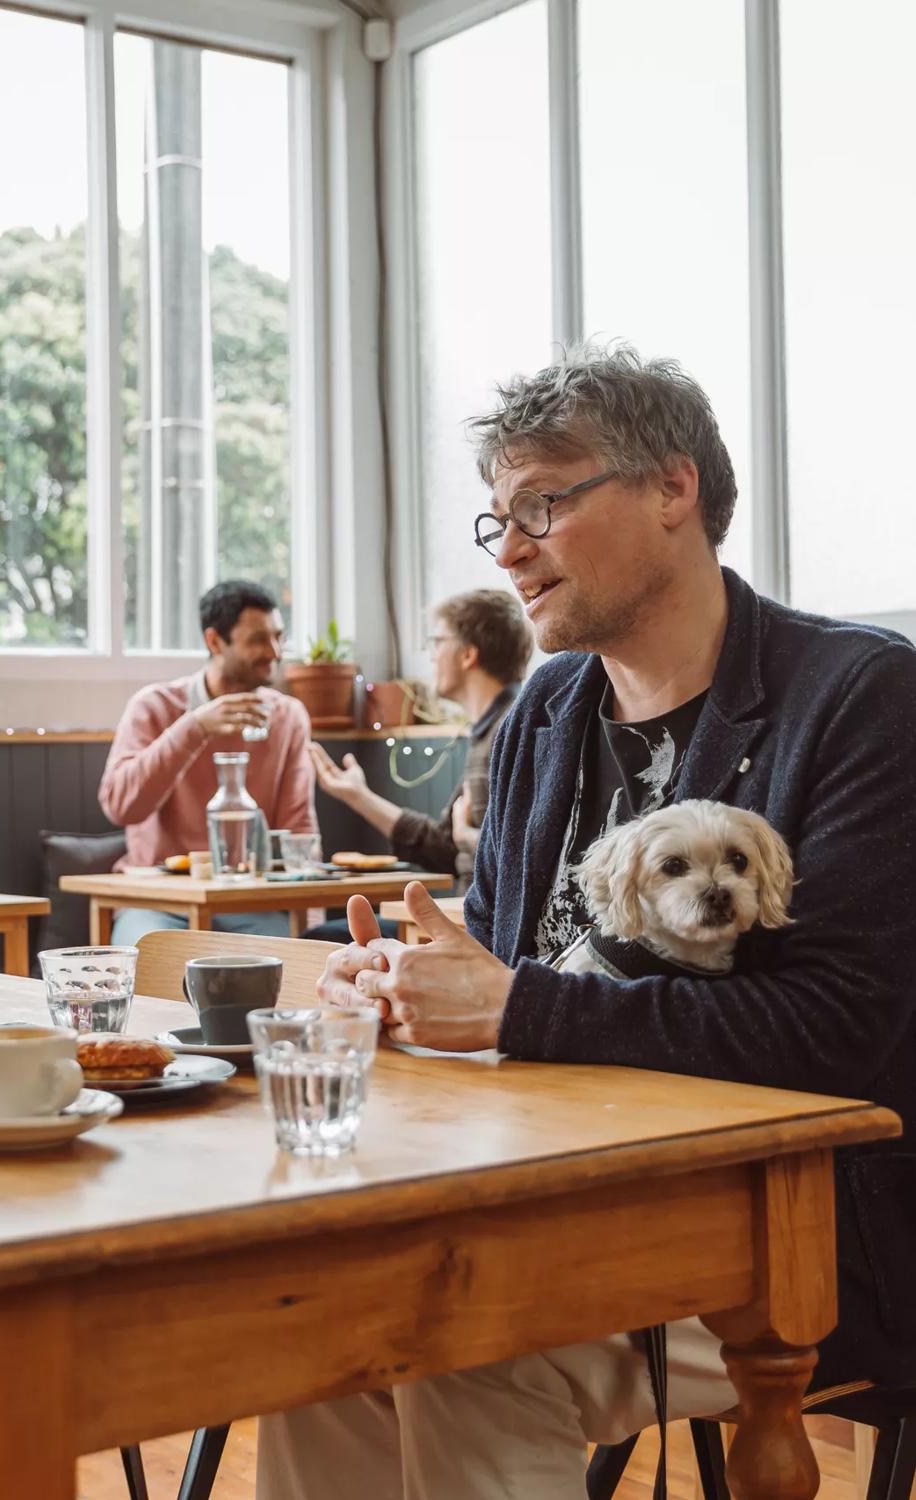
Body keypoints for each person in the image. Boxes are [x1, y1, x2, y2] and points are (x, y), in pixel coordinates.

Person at [258, 343, 916, 1499]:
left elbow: (838, 1034)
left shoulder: (863, 699)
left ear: (675, 490)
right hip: (554, 1191)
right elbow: (511, 961)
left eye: (544, 506)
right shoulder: (550, 710)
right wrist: (409, 978)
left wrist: (514, 1003)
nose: (511, 549)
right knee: (325, 1324)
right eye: (498, 519)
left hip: (802, 1231)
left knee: (466, 1343)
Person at [99, 579, 316, 945]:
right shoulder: (154, 707)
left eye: (279, 636)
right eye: (257, 640)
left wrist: (308, 929)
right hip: (158, 902)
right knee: (151, 968)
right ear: (214, 641)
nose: (275, 651)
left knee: (288, 970)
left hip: (252, 904)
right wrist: (194, 727)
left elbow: (300, 831)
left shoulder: (288, 717)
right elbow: (120, 805)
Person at [307, 589, 530, 943]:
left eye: (438, 642)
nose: (431, 655)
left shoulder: (510, 730)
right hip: (470, 919)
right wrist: (358, 796)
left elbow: (510, 858)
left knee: (324, 941)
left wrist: (467, 838)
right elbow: (444, 847)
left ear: (468, 654)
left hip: (484, 932)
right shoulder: (489, 731)